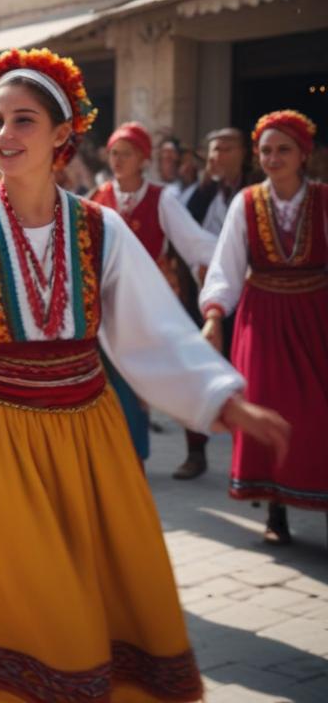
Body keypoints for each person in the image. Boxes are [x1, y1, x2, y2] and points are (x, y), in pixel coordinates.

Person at [0, 47, 288, 702]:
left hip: (89, 437)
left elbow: (155, 333)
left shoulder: (99, 228)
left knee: (93, 587)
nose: (3, 135)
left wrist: (222, 399)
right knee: (22, 588)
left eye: (23, 120)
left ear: (63, 134)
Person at [200, 109, 326, 545]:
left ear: (303, 154)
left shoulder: (324, 200)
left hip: (315, 319)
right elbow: (227, 266)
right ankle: (276, 509)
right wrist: (215, 315)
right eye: (266, 151)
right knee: (267, 409)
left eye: (283, 150)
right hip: (264, 319)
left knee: (317, 414)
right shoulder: (247, 202)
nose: (273, 158)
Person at [90, 122, 219, 461]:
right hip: (105, 303)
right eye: (114, 153)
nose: (118, 160)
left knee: (168, 372)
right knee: (111, 382)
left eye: (127, 154)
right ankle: (118, 455)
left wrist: (237, 259)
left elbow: (195, 242)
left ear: (143, 159)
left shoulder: (162, 199)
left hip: (149, 301)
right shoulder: (99, 197)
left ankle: (192, 449)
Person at [171, 126, 259, 480]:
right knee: (197, 377)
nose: (216, 156)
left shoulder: (254, 193)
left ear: (243, 153)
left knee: (247, 379)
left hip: (251, 300)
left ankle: (251, 460)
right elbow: (184, 238)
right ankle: (195, 453)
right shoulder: (199, 194)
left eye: (225, 148)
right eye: (212, 150)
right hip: (203, 300)